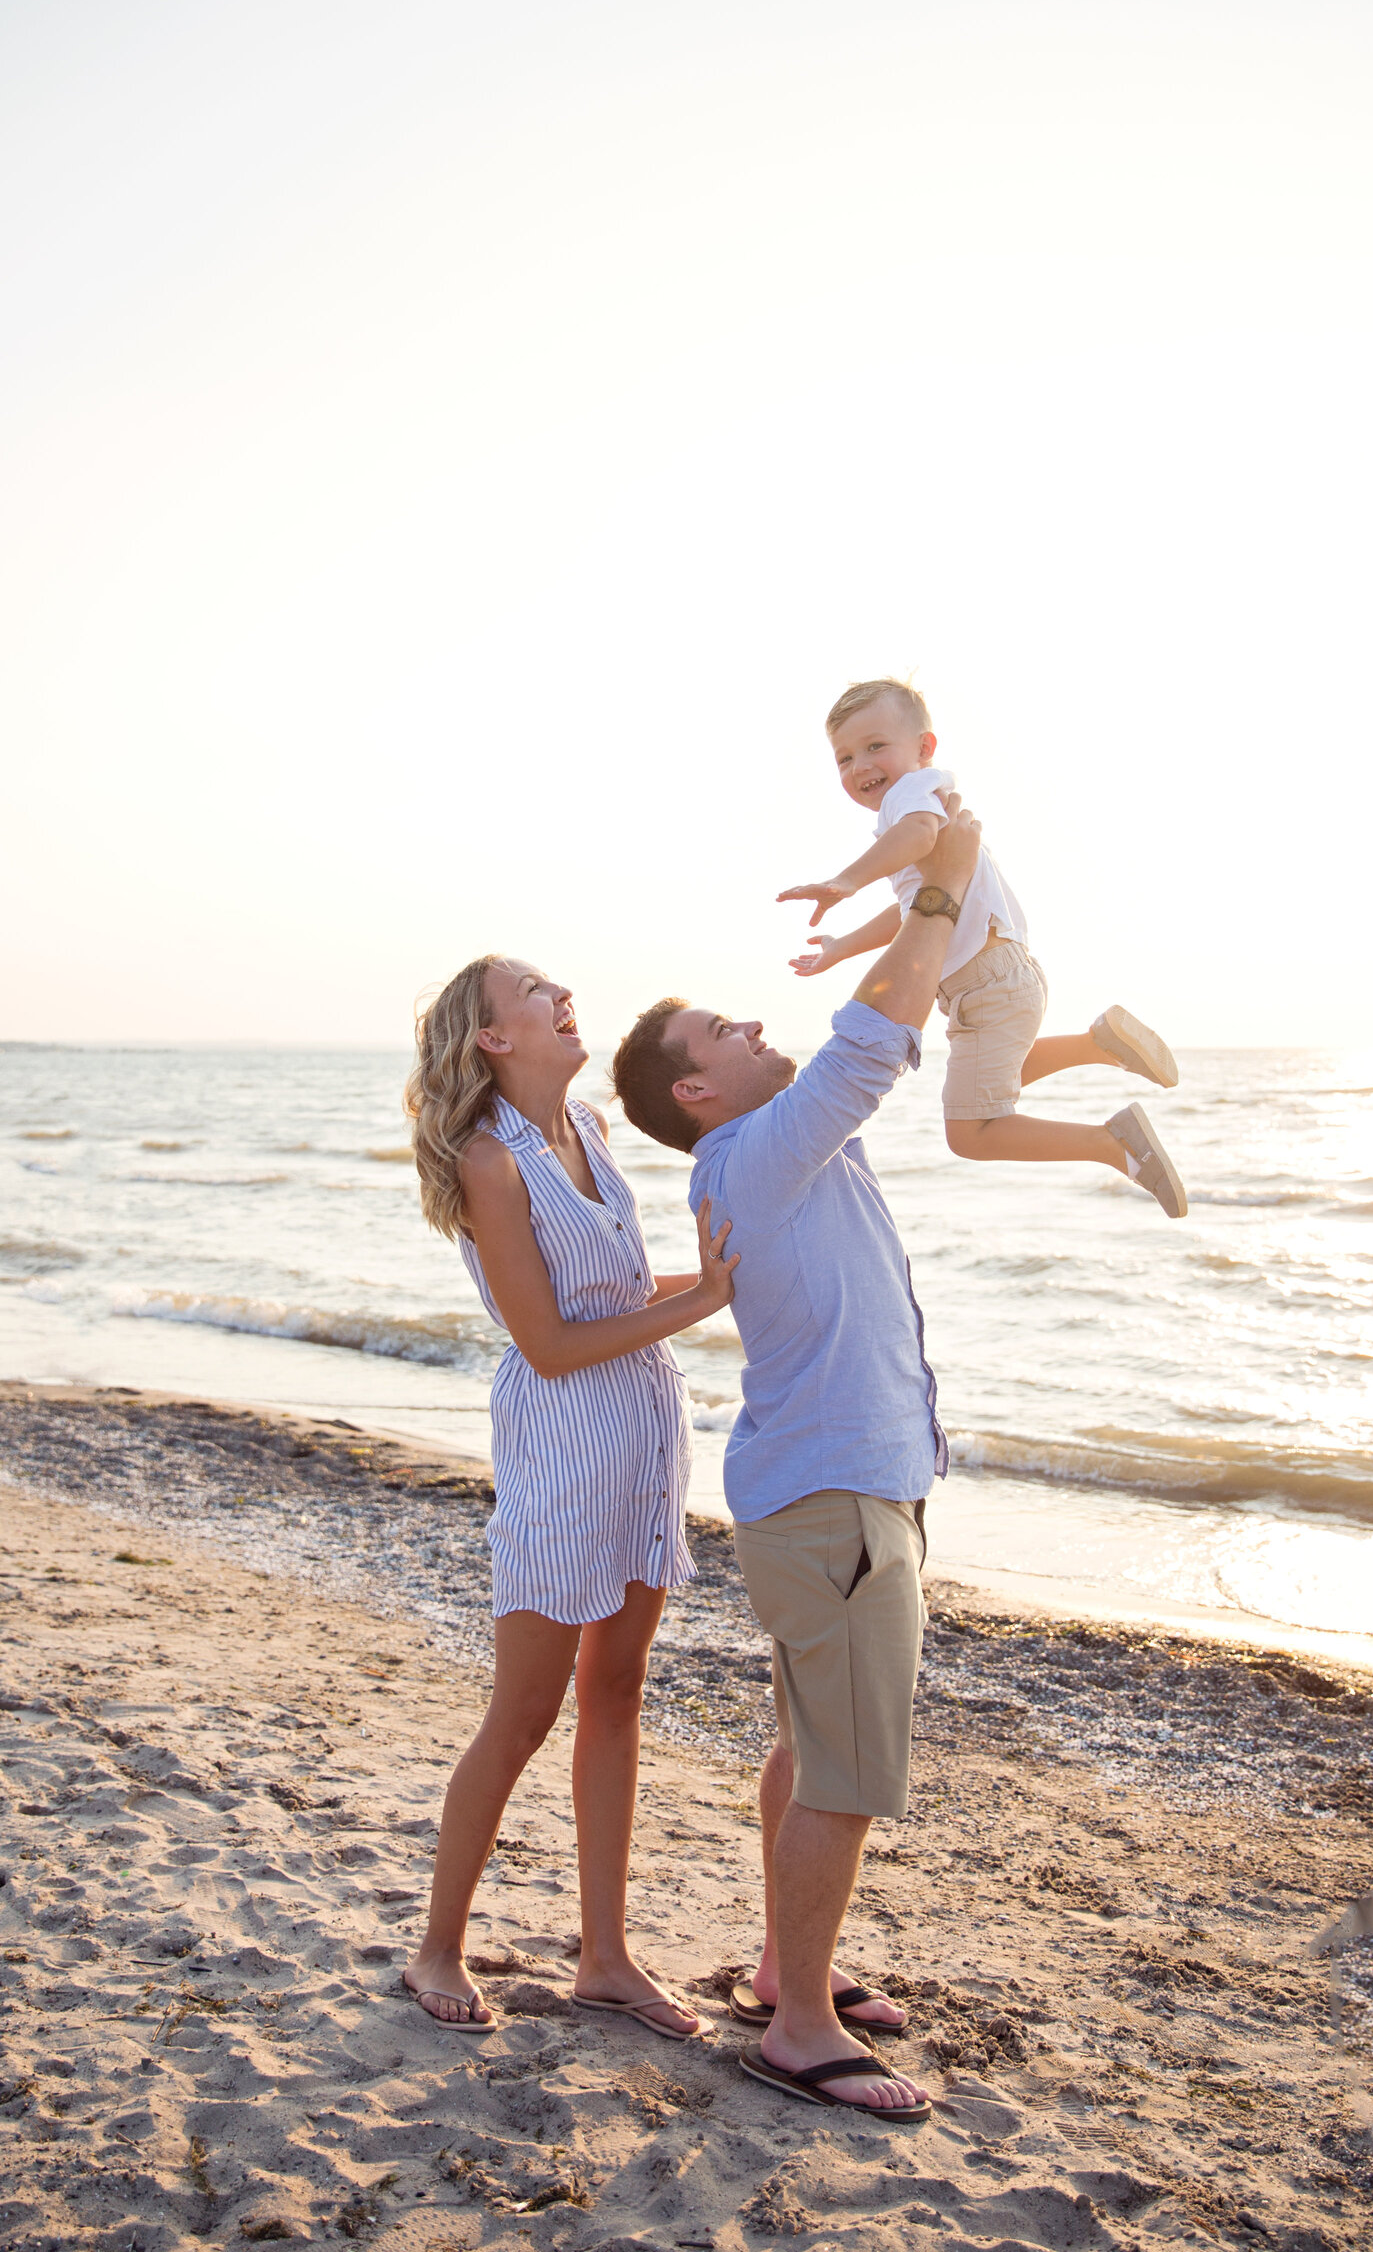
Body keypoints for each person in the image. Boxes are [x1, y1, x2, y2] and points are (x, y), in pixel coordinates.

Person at [610, 800, 987, 2125]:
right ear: (697, 1091)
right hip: (833, 1498)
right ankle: (802, 2025)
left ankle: (783, 1970)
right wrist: (940, 881)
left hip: (833, 1487)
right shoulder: (757, 1148)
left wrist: (936, 908)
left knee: (804, 1740)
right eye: (725, 1030)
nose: (754, 1027)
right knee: (843, 1763)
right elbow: (874, 1034)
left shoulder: (764, 1149)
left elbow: (880, 1030)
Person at [399, 954, 739, 2039]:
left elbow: (625, 1294)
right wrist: (708, 1302)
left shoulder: (586, 1127)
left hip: (645, 1429)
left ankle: (605, 1957)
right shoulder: (487, 1161)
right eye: (533, 992)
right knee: (525, 1711)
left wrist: (728, 1273)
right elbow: (546, 1345)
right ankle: (436, 1947)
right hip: (563, 1441)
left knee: (621, 1692)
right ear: (493, 1037)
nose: (559, 997)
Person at [778, 676, 1188, 1216]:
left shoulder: (910, 800)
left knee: (970, 1131)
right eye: (844, 757)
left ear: (924, 748)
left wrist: (847, 881)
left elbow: (920, 837)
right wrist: (841, 948)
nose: (859, 767)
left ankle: (1112, 1142)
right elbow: (912, 910)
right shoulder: (916, 802)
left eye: (876, 746)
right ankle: (1100, 1045)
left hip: (986, 982)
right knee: (982, 1087)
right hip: (1001, 974)